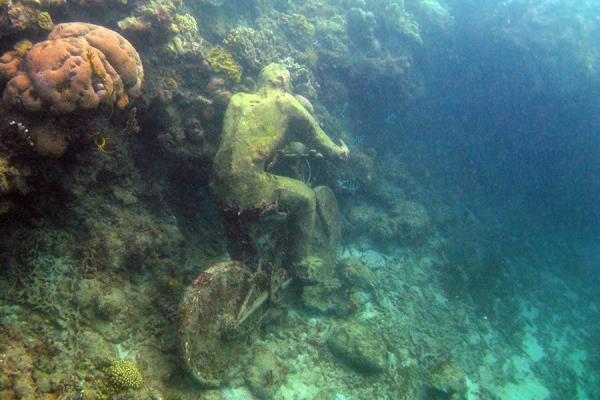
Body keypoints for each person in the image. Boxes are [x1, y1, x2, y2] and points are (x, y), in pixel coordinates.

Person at [211, 63, 348, 267]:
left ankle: (241, 264)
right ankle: (300, 263)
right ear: (283, 81)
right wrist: (341, 152)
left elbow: (237, 142)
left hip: (217, 184)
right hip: (250, 186)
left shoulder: (237, 100)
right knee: (306, 199)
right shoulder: (286, 102)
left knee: (236, 216)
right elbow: (322, 141)